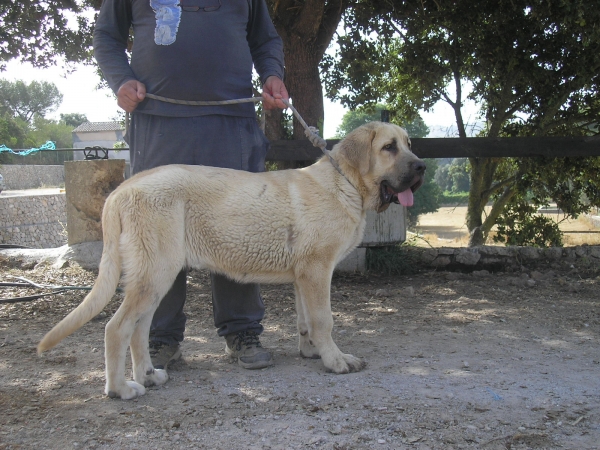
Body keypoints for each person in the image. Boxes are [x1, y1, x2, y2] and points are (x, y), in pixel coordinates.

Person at [93, 0, 288, 370]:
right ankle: (159, 338)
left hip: (231, 123)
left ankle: (242, 331)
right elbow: (106, 36)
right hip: (158, 121)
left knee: (238, 227)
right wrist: (120, 80)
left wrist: (271, 75)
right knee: (157, 233)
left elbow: (265, 40)